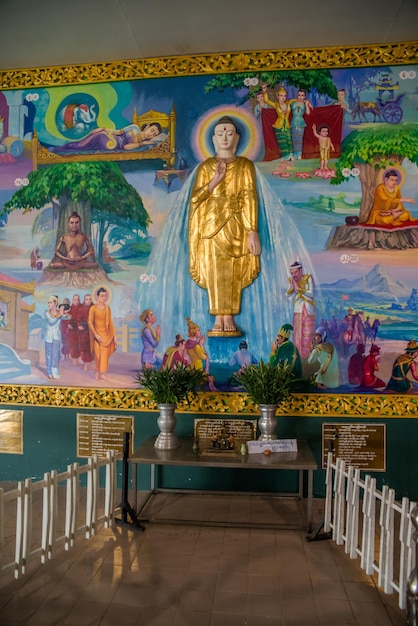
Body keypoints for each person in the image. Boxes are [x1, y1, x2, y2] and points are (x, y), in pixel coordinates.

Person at [189, 116, 261, 335]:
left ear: (238, 138)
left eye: (229, 133)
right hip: (210, 227)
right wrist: (215, 180)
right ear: (212, 138)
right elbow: (194, 200)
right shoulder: (205, 167)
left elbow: (250, 196)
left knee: (233, 270)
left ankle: (228, 316)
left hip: (237, 226)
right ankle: (217, 318)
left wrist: (252, 231)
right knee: (214, 269)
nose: (225, 137)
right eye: (220, 133)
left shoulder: (245, 166)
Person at [52, 122, 162, 153]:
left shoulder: (141, 143)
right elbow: (118, 131)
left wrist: (143, 144)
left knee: (83, 146)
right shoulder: (135, 127)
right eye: (152, 130)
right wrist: (103, 128)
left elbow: (126, 147)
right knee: (83, 144)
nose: (151, 134)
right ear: (147, 126)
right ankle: (61, 148)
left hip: (112, 145)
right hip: (110, 137)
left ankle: (61, 148)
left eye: (154, 135)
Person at [286, 261, 316, 359]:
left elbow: (311, 294)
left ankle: (308, 357)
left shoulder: (308, 278)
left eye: (295, 272)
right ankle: (298, 357)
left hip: (308, 309)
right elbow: (288, 294)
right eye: (292, 273)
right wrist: (292, 286)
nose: (294, 275)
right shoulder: (292, 281)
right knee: (297, 335)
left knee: (307, 335)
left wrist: (299, 289)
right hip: (298, 310)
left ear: (300, 270)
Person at [88, 287, 117, 381]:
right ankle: (96, 372)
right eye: (102, 296)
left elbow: (110, 322)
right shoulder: (93, 308)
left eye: (105, 296)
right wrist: (95, 334)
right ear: (97, 297)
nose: (104, 298)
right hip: (97, 336)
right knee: (98, 355)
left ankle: (102, 373)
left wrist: (114, 335)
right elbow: (89, 322)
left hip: (106, 336)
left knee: (104, 356)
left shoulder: (107, 308)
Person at [261, 83, 293, 160]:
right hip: (279, 126)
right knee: (283, 142)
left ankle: (291, 156)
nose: (283, 98)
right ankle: (285, 157)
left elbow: (298, 100)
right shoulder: (276, 105)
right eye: (281, 96)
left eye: (285, 96)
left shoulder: (288, 103)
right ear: (277, 96)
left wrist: (306, 102)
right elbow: (266, 100)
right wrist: (264, 92)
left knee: (289, 140)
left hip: (287, 125)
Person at [289, 89, 312, 160]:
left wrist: (307, 103)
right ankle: (293, 155)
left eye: (302, 95)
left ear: (304, 96)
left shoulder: (304, 104)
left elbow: (308, 113)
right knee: (293, 139)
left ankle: (299, 155)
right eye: (299, 95)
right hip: (293, 122)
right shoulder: (292, 103)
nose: (300, 97)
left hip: (301, 123)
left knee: (299, 139)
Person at [45, 295, 64, 379]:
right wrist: (60, 314)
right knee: (49, 355)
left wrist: (64, 311)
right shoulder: (47, 313)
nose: (49, 304)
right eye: (48, 302)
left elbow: (67, 317)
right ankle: (49, 372)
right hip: (49, 337)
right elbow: (52, 322)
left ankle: (55, 372)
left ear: (55, 303)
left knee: (57, 355)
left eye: (51, 302)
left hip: (57, 337)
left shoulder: (59, 313)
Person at [77, 293, 93, 370]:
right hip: (83, 332)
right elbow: (78, 320)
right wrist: (79, 325)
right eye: (87, 299)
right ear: (84, 300)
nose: (88, 301)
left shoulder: (94, 308)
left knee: (91, 348)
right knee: (84, 348)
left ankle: (90, 363)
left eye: (90, 299)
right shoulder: (81, 309)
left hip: (91, 331)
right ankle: (85, 364)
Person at [67, 293, 82, 366]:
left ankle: (78, 360)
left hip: (79, 331)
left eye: (78, 300)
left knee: (79, 345)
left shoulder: (81, 308)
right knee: (72, 345)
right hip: (72, 331)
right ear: (72, 300)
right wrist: (68, 324)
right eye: (75, 300)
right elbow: (66, 318)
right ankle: (73, 360)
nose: (76, 301)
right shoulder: (70, 309)